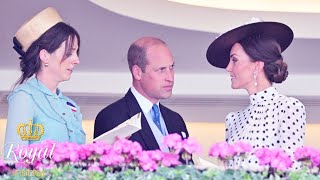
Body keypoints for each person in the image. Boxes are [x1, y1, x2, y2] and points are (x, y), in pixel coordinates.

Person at [206, 19, 306, 170]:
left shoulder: (289, 108)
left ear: (257, 66)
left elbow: (292, 171)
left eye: (234, 60)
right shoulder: (233, 119)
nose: (228, 67)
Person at [4, 7, 86, 151]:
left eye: (76, 52)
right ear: (44, 56)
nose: (76, 60)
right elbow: (15, 161)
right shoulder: (24, 97)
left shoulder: (70, 105)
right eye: (69, 52)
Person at [94, 37, 189, 153]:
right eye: (161, 70)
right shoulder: (111, 118)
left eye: (171, 67)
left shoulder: (176, 120)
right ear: (137, 72)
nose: (170, 78)